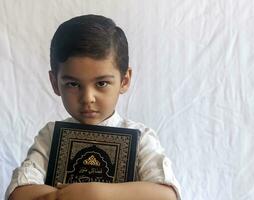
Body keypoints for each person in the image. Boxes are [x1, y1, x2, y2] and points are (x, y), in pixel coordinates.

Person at [5, 15, 181, 200]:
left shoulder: (141, 138)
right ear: (55, 83)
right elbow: (18, 193)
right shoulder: (51, 136)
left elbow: (167, 195)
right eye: (73, 84)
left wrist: (97, 193)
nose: (88, 98)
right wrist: (66, 196)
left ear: (124, 80)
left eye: (102, 83)